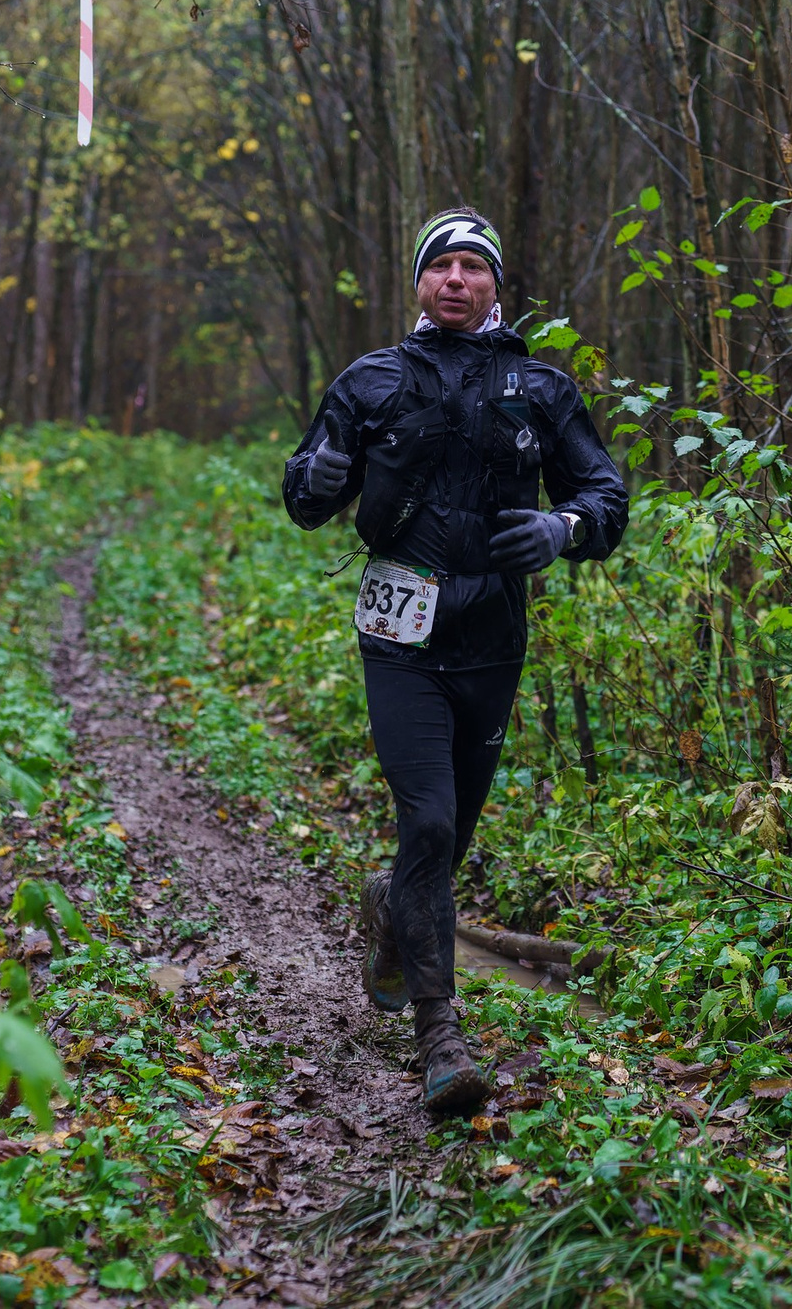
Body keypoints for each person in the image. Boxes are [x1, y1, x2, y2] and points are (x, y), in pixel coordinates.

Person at [283, 208, 629, 1117]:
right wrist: (315, 481)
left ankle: (394, 909)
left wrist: (564, 526)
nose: (457, 279)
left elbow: (606, 493)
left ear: (496, 287)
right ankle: (441, 1036)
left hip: (492, 638)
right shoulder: (372, 382)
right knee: (429, 819)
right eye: (443, 265)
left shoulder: (540, 388)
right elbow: (306, 486)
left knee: (449, 833)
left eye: (475, 266)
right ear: (420, 282)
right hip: (399, 637)